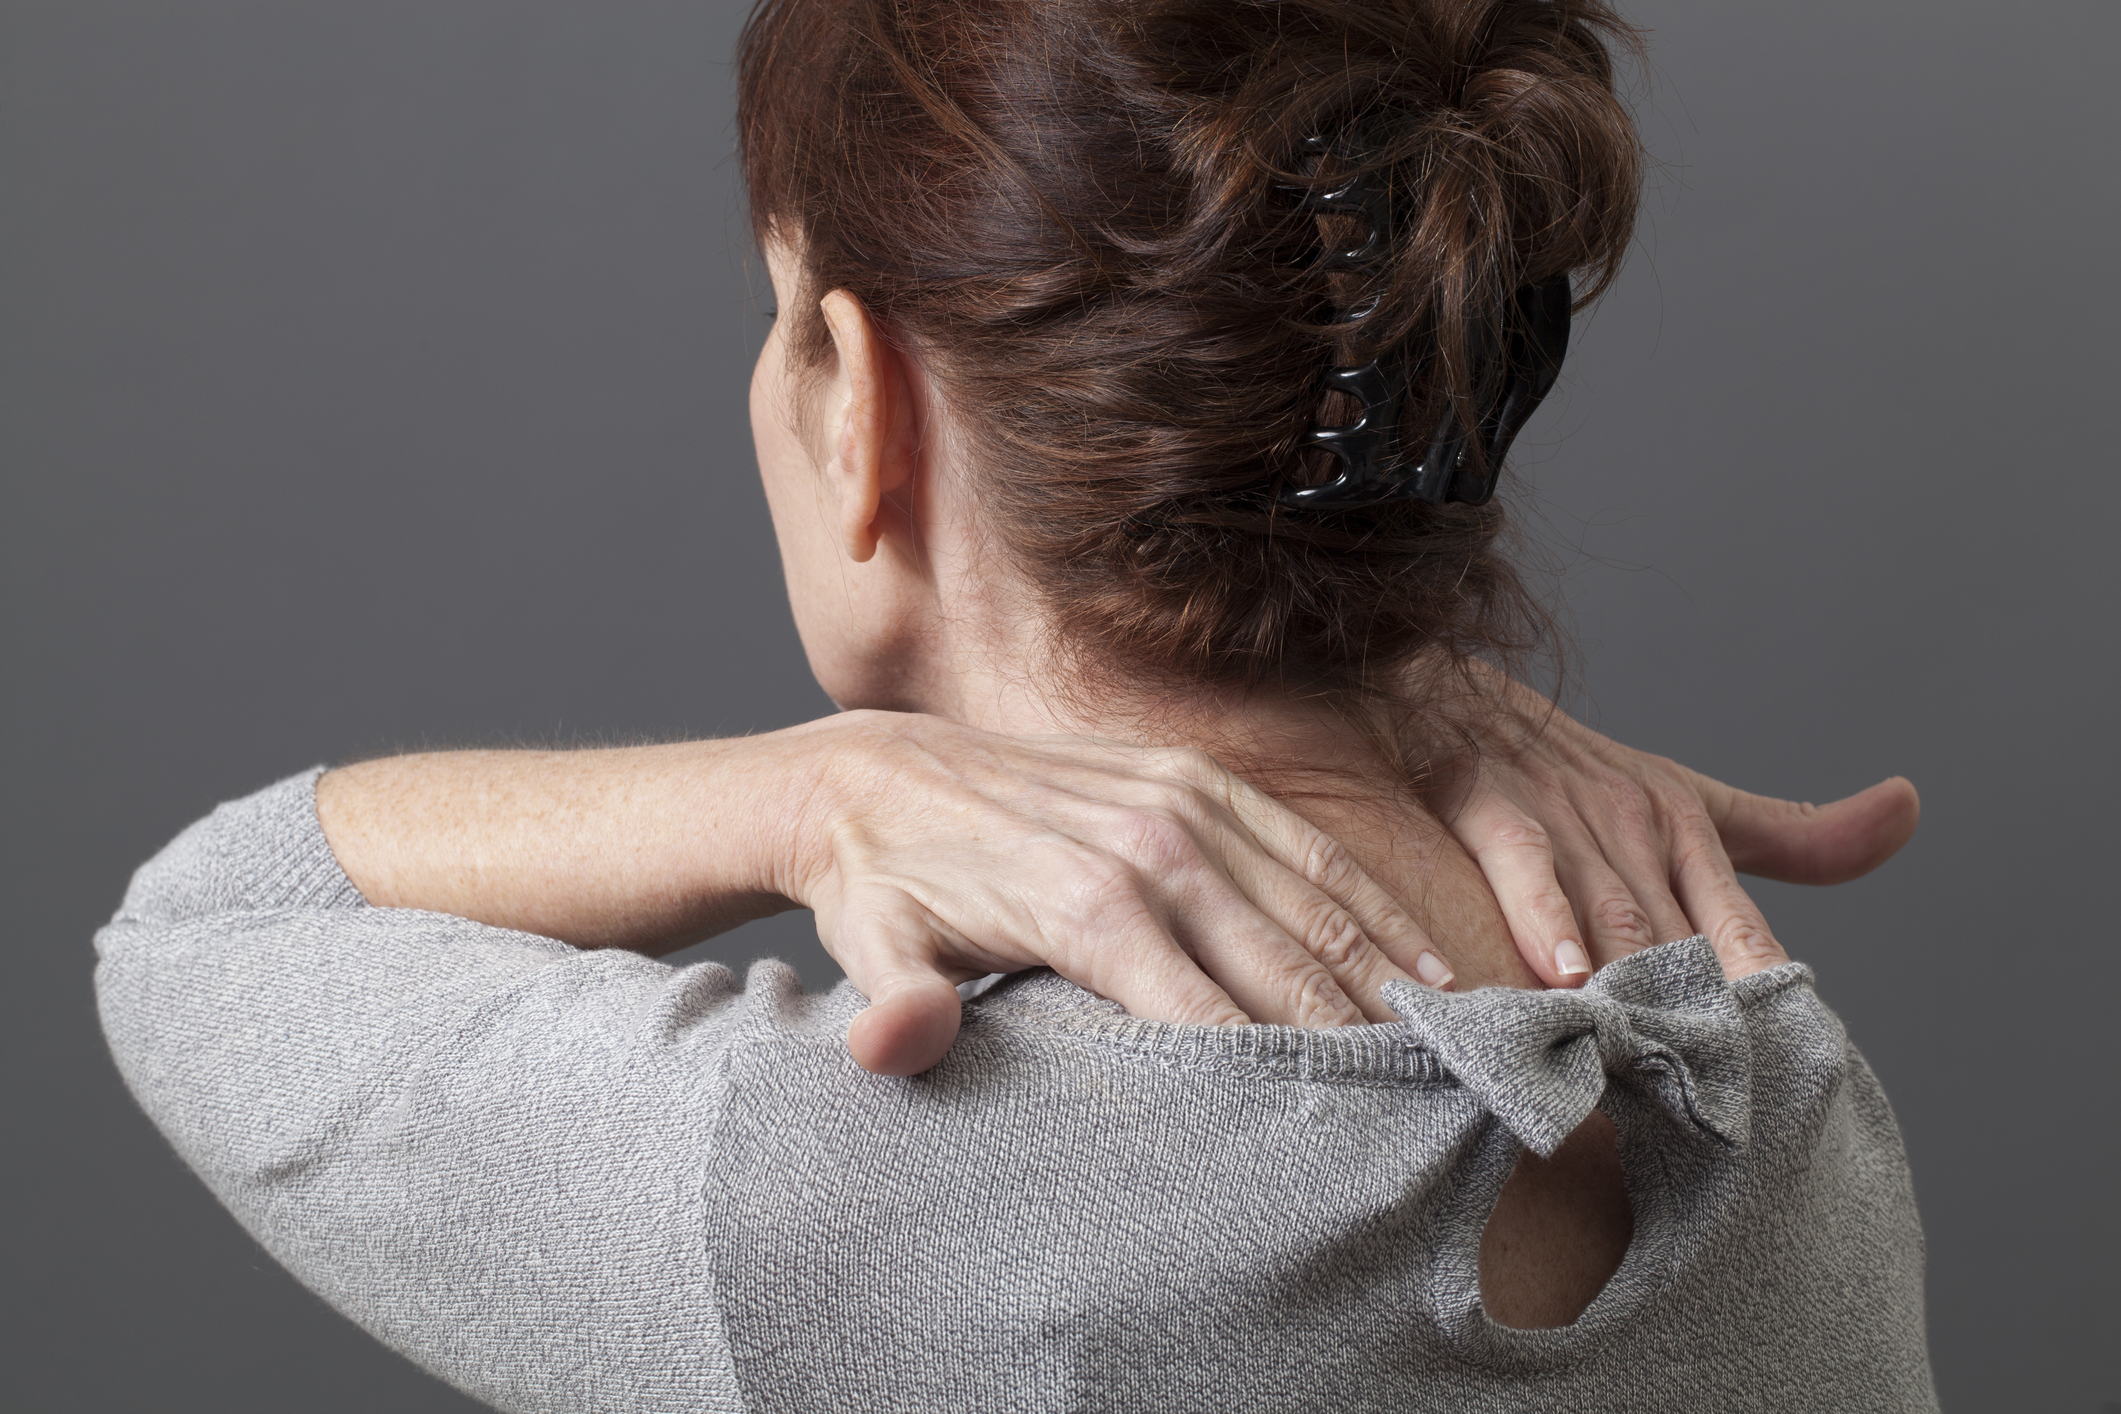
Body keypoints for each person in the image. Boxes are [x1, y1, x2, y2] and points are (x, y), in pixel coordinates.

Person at [94, 0, 1933, 1407]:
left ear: (860, 406)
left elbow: (201, 934)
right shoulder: (1789, 1108)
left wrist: (810, 795)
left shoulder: (844, 1205)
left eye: (784, 315)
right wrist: (1407, 698)